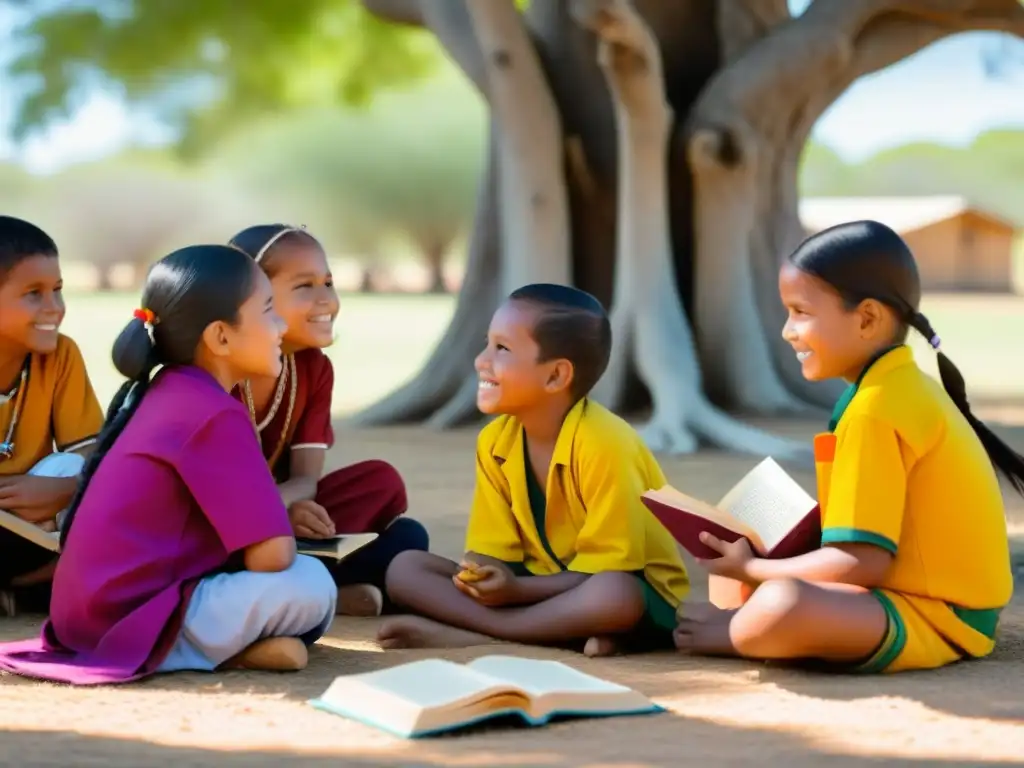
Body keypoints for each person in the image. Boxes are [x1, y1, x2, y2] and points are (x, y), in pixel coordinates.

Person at [674, 220, 1019, 674]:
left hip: (935, 616)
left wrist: (753, 572)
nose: (787, 331)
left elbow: (862, 563)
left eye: (801, 312)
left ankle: (736, 631)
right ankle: (740, 617)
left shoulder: (876, 410)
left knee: (785, 602)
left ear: (868, 318)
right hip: (912, 600)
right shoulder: (892, 390)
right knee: (750, 550)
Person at [0, 244, 337, 684]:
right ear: (220, 337)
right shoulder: (213, 411)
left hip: (80, 618)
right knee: (312, 582)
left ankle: (235, 647)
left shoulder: (166, 390)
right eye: (269, 309)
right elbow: (272, 556)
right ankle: (193, 650)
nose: (280, 325)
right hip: (131, 619)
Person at [376, 283, 690, 656]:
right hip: (536, 589)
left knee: (614, 595)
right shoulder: (495, 441)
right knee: (406, 569)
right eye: (487, 344)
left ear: (556, 376)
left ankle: (484, 634)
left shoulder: (608, 443)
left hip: (631, 591)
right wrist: (482, 577)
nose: (481, 361)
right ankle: (537, 633)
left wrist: (516, 592)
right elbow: (491, 553)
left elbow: (609, 569)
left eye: (502, 349)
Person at [227, 224, 429, 618]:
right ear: (253, 298)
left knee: (398, 514)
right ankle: (322, 592)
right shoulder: (221, 371)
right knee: (401, 556)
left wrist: (294, 508)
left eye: (329, 282)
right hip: (227, 529)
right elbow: (221, 502)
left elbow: (305, 479)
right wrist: (279, 513)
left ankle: (316, 592)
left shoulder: (314, 369)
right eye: (304, 286)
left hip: (284, 520)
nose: (327, 300)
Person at [0, 216, 103, 616]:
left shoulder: (61, 355)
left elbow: (92, 455)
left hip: (37, 524)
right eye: (34, 293)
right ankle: (31, 590)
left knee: (69, 468)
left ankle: (22, 588)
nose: (54, 308)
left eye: (58, 290)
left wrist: (63, 490)